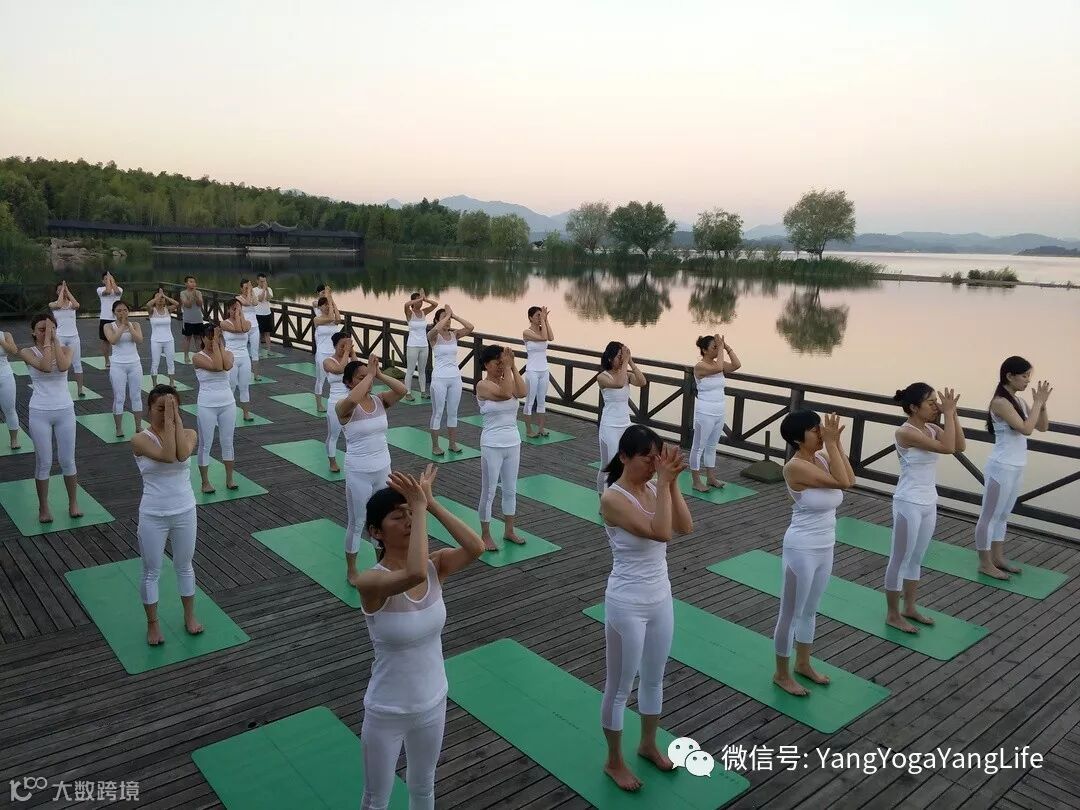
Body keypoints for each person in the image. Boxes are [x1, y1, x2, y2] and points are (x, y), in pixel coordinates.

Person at [355, 465, 485, 810]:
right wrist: (418, 505)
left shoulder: (435, 565)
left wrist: (431, 502)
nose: (409, 520)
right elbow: (412, 574)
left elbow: (476, 547)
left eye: (411, 513)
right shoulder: (371, 582)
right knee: (376, 800)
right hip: (387, 711)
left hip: (433, 701)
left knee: (423, 787)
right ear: (376, 532)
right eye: (399, 517)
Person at [599, 427, 692, 792]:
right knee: (620, 687)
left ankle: (648, 744)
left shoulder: (656, 488)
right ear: (624, 457)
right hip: (627, 604)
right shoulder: (613, 497)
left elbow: (685, 526)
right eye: (647, 459)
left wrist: (671, 484)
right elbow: (661, 532)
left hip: (660, 598)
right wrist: (664, 483)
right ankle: (614, 761)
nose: (654, 465)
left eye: (658, 458)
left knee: (654, 678)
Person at [772, 410, 855, 697]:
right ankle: (781, 674)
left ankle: (803, 663)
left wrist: (836, 444)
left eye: (821, 428)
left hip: (826, 545)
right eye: (815, 429)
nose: (821, 433)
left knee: (810, 610)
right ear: (798, 438)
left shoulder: (821, 458)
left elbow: (850, 478)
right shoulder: (794, 467)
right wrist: (831, 444)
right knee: (790, 614)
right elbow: (842, 482)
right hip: (802, 549)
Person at [884, 384, 965, 633]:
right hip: (908, 502)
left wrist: (953, 414)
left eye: (936, 402)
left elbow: (959, 445)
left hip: (929, 501)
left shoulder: (932, 429)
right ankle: (892, 614)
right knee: (900, 559)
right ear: (913, 407)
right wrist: (948, 414)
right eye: (931, 403)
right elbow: (947, 448)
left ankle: (909, 608)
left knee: (917, 558)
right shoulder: (905, 432)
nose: (936, 407)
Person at [132, 385, 202, 646]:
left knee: (185, 566)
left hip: (185, 510)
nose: (165, 414)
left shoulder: (189, 434)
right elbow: (167, 456)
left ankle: (189, 616)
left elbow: (181, 454)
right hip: (153, 514)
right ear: (149, 409)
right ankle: (152, 624)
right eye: (160, 408)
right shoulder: (140, 439)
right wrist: (171, 420)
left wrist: (175, 420)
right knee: (152, 571)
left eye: (171, 408)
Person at [975, 357, 1052, 579]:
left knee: (1003, 515)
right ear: (1009, 376)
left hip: (1017, 466)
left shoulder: (1020, 401)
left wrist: (1042, 405)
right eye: (1024, 376)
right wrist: (1037, 403)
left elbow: (1042, 426)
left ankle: (998, 558)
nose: (1028, 380)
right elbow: (1025, 429)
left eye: (1029, 376)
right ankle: (985, 563)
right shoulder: (1000, 402)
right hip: (1001, 467)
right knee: (989, 516)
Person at [338, 355, 407, 581]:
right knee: (358, 522)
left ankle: (382, 565)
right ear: (348, 382)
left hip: (383, 469)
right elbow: (354, 398)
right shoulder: (344, 406)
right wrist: (369, 374)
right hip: (359, 472)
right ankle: (352, 569)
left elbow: (402, 390)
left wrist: (378, 374)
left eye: (368, 376)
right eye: (360, 377)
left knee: (382, 519)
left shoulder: (380, 400)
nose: (367, 380)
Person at [20, 313, 81, 522]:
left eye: (50, 328)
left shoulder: (66, 349)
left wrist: (54, 341)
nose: (46, 332)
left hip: (65, 410)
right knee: (44, 461)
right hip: (40, 411)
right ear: (33, 332)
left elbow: (62, 366)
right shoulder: (27, 352)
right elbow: (46, 367)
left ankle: (73, 503)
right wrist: (48, 342)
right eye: (41, 329)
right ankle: (43, 507)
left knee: (67, 460)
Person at [475, 345, 528, 551]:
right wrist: (507, 368)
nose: (500, 366)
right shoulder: (483, 385)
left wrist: (513, 367)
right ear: (486, 364)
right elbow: (506, 394)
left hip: (513, 442)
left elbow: (522, 392)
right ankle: (485, 535)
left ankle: (509, 530)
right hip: (492, 444)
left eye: (502, 362)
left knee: (510, 489)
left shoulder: (508, 379)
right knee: (488, 491)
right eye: (497, 363)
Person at [689, 334, 741, 492]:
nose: (718, 350)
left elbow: (737, 365)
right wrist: (721, 349)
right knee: (698, 447)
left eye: (718, 347)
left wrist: (727, 347)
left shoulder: (718, 363)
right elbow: (718, 368)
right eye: (715, 347)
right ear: (704, 350)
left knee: (712, 446)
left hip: (719, 411)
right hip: (705, 413)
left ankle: (711, 478)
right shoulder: (700, 366)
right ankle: (696, 481)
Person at [596, 342, 647, 495]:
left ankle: (617, 497)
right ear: (610, 358)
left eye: (622, 356)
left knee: (625, 463)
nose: (621, 360)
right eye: (619, 357)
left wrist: (630, 361)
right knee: (609, 465)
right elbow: (618, 384)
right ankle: (604, 499)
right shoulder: (602, 377)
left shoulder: (627, 375)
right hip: (609, 426)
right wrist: (625, 363)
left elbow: (642, 382)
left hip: (625, 425)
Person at [192, 323, 238, 493]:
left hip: (227, 403)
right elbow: (217, 367)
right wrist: (217, 344)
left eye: (215, 336)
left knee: (228, 442)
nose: (212, 340)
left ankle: (230, 478)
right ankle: (205, 482)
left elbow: (227, 365)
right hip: (207, 405)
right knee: (206, 443)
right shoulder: (197, 357)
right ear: (202, 338)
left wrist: (219, 344)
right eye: (209, 337)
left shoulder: (228, 354)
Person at [427, 305, 474, 456]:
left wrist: (454, 316)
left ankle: (452, 444)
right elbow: (435, 330)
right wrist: (447, 316)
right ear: (436, 320)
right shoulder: (433, 336)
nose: (448, 321)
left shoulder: (454, 334)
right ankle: (435, 446)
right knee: (438, 412)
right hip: (439, 379)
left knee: (453, 412)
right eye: (444, 318)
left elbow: (470, 327)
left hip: (455, 378)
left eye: (449, 319)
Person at [104, 300, 144, 438]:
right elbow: (113, 340)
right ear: (114, 313)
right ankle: (119, 428)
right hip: (118, 365)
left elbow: (139, 340)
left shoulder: (135, 324)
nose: (122, 313)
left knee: (136, 396)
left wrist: (129, 327)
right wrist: (122, 326)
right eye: (119, 311)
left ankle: (138, 426)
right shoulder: (108, 326)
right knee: (119, 397)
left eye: (125, 310)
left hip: (135, 364)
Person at [322, 330, 358, 473]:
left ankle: (353, 460)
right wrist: (347, 352)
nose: (344, 349)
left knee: (353, 434)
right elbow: (339, 369)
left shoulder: (349, 360)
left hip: (351, 401)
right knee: (334, 435)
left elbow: (358, 369)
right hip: (335, 403)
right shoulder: (328, 361)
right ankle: (332, 462)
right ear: (335, 346)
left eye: (347, 345)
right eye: (342, 346)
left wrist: (352, 352)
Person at [49, 280, 85, 397]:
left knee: (77, 363)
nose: (62, 292)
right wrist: (62, 291)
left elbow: (77, 305)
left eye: (63, 290)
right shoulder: (53, 304)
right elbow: (59, 305)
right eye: (59, 290)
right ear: (56, 292)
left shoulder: (71, 304)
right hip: (60, 337)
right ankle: (60, 388)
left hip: (74, 337)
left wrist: (67, 291)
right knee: (60, 364)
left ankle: (80, 389)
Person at [522, 306, 554, 438]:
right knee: (530, 400)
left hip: (544, 370)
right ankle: (529, 430)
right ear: (530, 318)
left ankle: (541, 428)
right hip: (532, 371)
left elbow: (551, 337)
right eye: (538, 316)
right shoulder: (527, 332)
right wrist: (544, 320)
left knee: (542, 401)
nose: (540, 318)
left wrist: (546, 320)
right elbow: (543, 338)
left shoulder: (543, 329)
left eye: (541, 315)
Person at [221, 298, 255, 422]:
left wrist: (241, 314)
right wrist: (237, 315)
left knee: (244, 386)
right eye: (233, 309)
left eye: (238, 308)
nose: (236, 311)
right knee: (231, 386)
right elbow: (237, 329)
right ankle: (229, 413)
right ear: (228, 310)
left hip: (244, 357)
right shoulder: (224, 323)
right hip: (231, 358)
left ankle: (246, 413)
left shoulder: (247, 323)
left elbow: (244, 329)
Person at [403, 289, 438, 402]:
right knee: (410, 370)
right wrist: (418, 299)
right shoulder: (410, 313)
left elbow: (435, 305)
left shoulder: (423, 312)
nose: (421, 302)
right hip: (412, 345)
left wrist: (425, 298)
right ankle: (407, 393)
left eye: (421, 301)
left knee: (422, 370)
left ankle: (423, 392)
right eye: (418, 300)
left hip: (424, 345)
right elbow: (406, 305)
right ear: (413, 302)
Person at [313, 291, 342, 413]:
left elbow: (338, 319)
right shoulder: (317, 319)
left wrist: (332, 302)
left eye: (328, 305)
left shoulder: (333, 319)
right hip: (322, 353)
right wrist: (328, 298)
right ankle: (319, 404)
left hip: (333, 353)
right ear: (319, 307)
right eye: (324, 305)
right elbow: (330, 318)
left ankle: (337, 402)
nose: (327, 306)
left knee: (337, 378)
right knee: (321, 379)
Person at [144, 287, 179, 387]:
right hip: (156, 340)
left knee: (170, 361)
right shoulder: (152, 311)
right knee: (155, 362)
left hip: (169, 340)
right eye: (158, 297)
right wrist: (157, 297)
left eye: (162, 298)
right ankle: (154, 383)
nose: (160, 299)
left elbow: (177, 304)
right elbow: (148, 305)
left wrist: (165, 296)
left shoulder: (168, 309)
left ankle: (171, 382)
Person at [0, 328, 22, 450]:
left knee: (10, 409)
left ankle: (14, 440)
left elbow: (14, 350)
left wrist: (1, 341)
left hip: (5, 376)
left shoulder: (6, 335)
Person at [96, 271, 123, 369]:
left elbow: (117, 292)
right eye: (106, 279)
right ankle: (107, 360)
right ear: (103, 281)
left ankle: (119, 358)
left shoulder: (119, 289)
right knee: (106, 341)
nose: (108, 280)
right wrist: (108, 280)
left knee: (119, 339)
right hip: (105, 318)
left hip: (117, 318)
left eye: (110, 278)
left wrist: (112, 281)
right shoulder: (100, 289)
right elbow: (107, 292)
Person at [238, 279, 262, 381]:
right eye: (245, 287)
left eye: (248, 287)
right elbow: (247, 303)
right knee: (242, 350)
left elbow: (255, 303)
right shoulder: (238, 298)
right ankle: (241, 372)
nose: (247, 289)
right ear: (241, 288)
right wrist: (248, 291)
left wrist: (251, 291)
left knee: (255, 351)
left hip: (254, 327)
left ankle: (256, 374)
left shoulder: (252, 296)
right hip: (244, 328)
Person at [179, 277, 205, 363]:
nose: (193, 283)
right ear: (186, 284)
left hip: (198, 319)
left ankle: (200, 355)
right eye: (190, 282)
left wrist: (196, 295)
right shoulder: (183, 293)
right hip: (188, 320)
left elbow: (200, 304)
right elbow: (188, 305)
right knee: (187, 338)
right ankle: (186, 356)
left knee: (198, 338)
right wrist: (191, 295)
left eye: (194, 282)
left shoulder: (198, 293)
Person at [254, 273, 275, 353]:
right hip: (258, 314)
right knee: (258, 333)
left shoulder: (269, 289)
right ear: (257, 281)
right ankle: (258, 350)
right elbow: (260, 299)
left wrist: (266, 290)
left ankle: (269, 350)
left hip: (267, 313)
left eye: (264, 281)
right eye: (261, 281)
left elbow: (268, 299)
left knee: (267, 333)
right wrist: (263, 289)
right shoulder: (254, 290)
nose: (263, 283)